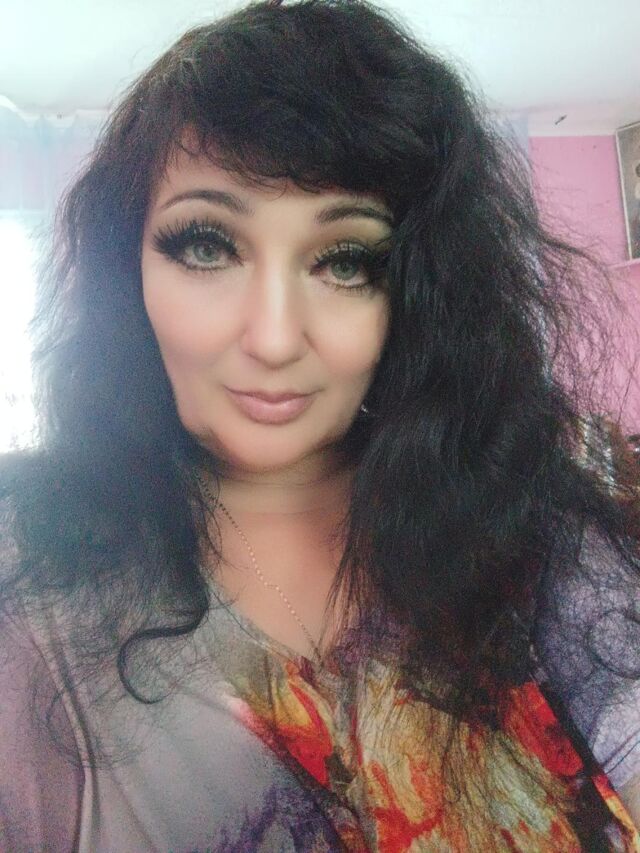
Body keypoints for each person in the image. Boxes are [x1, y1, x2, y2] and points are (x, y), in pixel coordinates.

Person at [1, 0, 639, 849]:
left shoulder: (544, 540)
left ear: (420, 295)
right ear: (128, 272)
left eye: (345, 261)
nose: (273, 338)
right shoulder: (27, 576)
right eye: (207, 245)